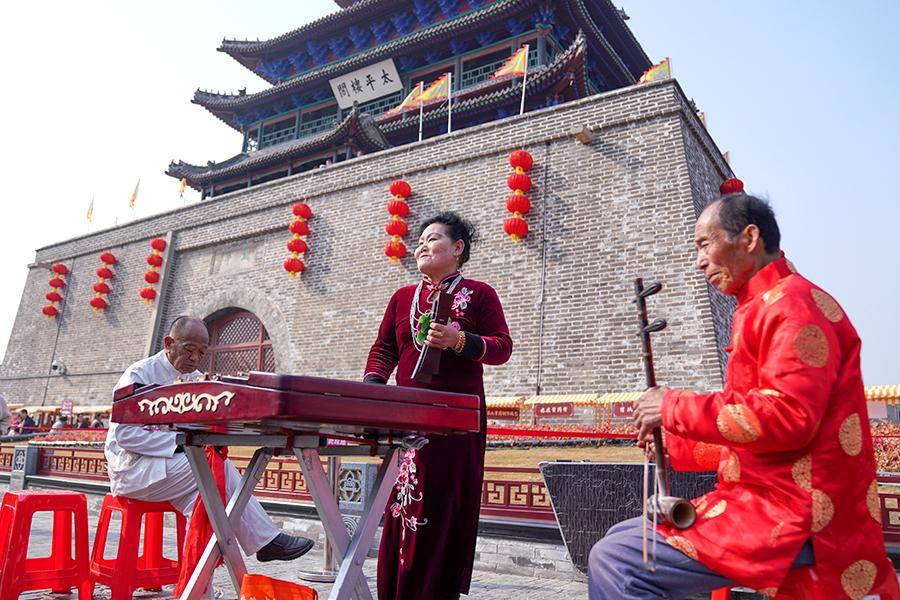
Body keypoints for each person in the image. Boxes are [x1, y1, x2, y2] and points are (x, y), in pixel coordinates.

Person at [589, 193, 899, 598]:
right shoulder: (762, 307)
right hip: (767, 497)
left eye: (704, 243)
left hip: (799, 510)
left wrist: (672, 405)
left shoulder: (793, 306)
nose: (699, 260)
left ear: (749, 238)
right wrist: (673, 444)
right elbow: (753, 435)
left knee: (619, 558)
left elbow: (786, 419)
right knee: (623, 536)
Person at [104, 316, 314, 594]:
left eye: (202, 352)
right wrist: (179, 443)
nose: (195, 358)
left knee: (207, 507)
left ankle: (198, 592)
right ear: (169, 343)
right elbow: (126, 436)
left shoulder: (193, 380)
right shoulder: (140, 375)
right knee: (217, 471)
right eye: (190, 349)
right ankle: (265, 541)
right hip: (134, 470)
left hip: (173, 471)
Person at [365, 212, 513, 599]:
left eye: (433, 239)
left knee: (443, 507)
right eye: (419, 241)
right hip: (407, 418)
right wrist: (374, 389)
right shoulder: (401, 298)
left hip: (455, 421)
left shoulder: (480, 294)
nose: (421, 246)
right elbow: (383, 350)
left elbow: (502, 347)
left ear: (458, 248)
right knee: (402, 507)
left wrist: (460, 340)